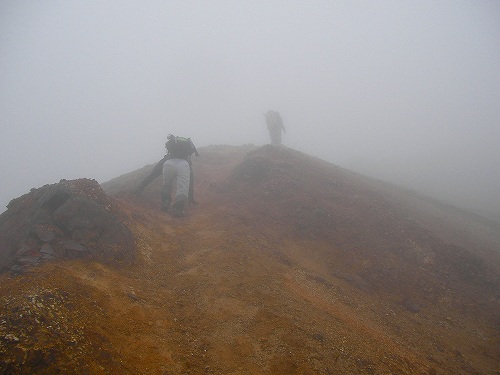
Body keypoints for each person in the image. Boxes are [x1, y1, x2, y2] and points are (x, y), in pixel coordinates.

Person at [135, 135, 199, 216]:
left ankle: (165, 203)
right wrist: (191, 198)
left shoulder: (167, 157)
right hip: (183, 165)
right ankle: (178, 209)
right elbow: (190, 180)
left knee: (167, 184)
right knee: (182, 187)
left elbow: (154, 173)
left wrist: (142, 186)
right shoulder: (187, 161)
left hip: (168, 164)